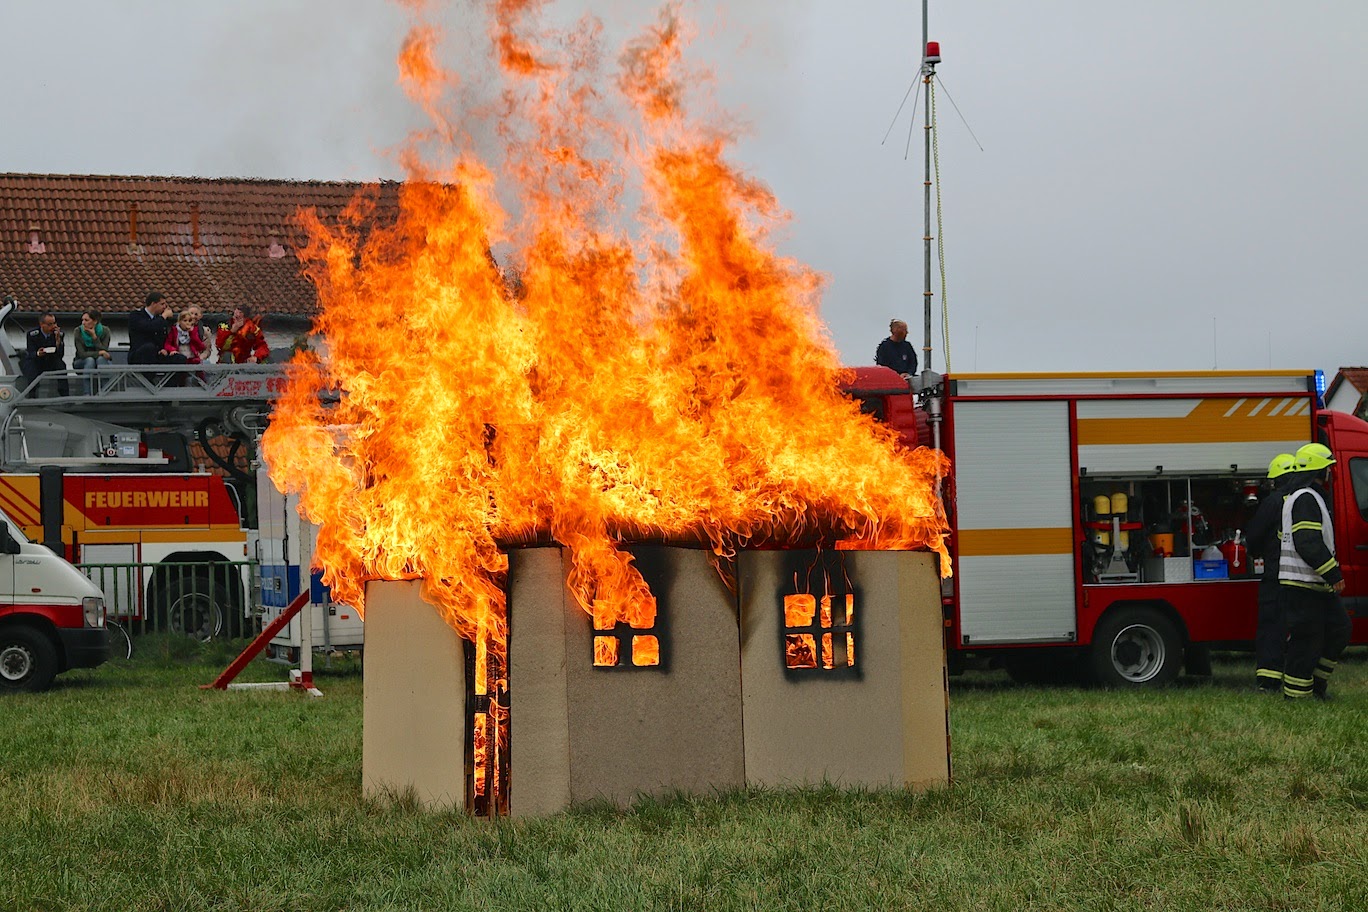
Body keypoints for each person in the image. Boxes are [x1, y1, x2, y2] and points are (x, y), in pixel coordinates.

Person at [1278, 442, 1353, 700]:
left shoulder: (1301, 496)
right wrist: (1333, 572)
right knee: (1306, 641)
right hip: (1304, 583)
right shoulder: (1306, 498)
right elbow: (1307, 542)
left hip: (1312, 583)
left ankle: (1316, 685)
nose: (1332, 473)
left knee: (1339, 629)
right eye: (1329, 468)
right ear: (1319, 471)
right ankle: (1297, 697)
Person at [1244, 453, 1297, 692]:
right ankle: (1299, 675)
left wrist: (1255, 553)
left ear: (1276, 481)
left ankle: (1269, 680)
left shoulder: (1273, 502)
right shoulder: (1307, 499)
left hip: (1276, 573)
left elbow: (1254, 535)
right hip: (1302, 575)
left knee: (1271, 626)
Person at [21, 311, 69, 396]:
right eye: (49, 324)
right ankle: (32, 394)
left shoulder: (59, 334)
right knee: (30, 366)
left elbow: (60, 355)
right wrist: (38, 353)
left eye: (54, 323)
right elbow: (31, 353)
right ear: (41, 324)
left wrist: (58, 341)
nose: (53, 327)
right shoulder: (33, 334)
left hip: (51, 361)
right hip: (37, 361)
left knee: (61, 365)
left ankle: (64, 394)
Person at [72, 308, 112, 396]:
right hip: (80, 362)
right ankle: (87, 393)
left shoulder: (105, 331)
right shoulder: (78, 331)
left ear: (95, 321)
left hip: (100, 362)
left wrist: (94, 337)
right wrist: (98, 353)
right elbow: (82, 354)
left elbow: (104, 350)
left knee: (101, 359)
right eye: (82, 320)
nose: (83, 323)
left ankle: (104, 392)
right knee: (90, 360)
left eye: (86, 320)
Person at [129, 291, 171, 365]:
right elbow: (149, 327)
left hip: (157, 355)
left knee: (179, 358)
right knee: (149, 348)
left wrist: (163, 349)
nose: (164, 307)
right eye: (162, 304)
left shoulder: (160, 319)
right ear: (153, 304)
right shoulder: (136, 315)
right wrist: (163, 317)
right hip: (140, 355)